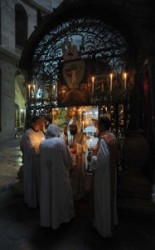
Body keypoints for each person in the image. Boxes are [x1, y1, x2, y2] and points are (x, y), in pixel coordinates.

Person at [39, 124, 75, 229]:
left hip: (46, 177)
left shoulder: (42, 144)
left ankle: (48, 219)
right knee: (60, 196)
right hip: (59, 176)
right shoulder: (60, 142)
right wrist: (69, 166)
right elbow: (68, 160)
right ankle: (62, 218)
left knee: (48, 196)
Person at [90, 116, 118, 238]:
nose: (97, 127)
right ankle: (111, 222)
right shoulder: (112, 136)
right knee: (109, 198)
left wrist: (93, 158)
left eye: (98, 125)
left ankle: (103, 228)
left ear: (101, 126)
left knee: (103, 199)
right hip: (110, 173)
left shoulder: (103, 139)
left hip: (103, 175)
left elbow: (102, 159)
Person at [22, 116, 45, 208]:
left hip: (39, 162)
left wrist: (39, 147)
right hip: (31, 162)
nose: (40, 125)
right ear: (33, 123)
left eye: (41, 123)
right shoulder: (28, 134)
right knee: (32, 182)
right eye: (38, 123)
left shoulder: (41, 133)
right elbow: (31, 149)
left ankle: (39, 201)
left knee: (39, 182)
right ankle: (31, 202)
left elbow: (44, 145)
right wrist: (40, 148)